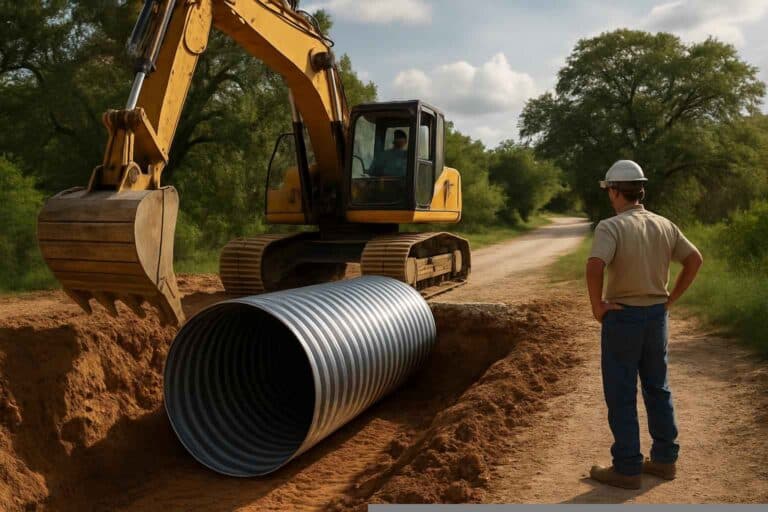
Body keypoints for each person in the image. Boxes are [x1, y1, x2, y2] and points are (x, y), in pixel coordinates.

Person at [586, 160, 703, 489]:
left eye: (609, 190)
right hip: (656, 316)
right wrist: (670, 299)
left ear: (614, 191)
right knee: (657, 388)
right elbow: (695, 260)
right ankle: (665, 461)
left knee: (621, 393)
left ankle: (627, 468)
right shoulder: (665, 224)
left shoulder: (611, 227)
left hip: (622, 318)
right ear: (640, 190)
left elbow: (595, 266)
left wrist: (598, 307)